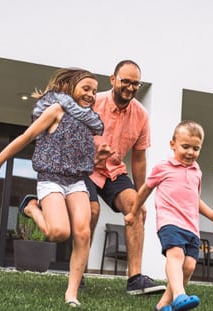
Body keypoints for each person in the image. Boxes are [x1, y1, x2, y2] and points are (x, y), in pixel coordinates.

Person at [0, 68, 103, 307]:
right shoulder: (56, 110)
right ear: (70, 87)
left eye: (94, 92)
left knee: (83, 232)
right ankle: (32, 209)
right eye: (86, 89)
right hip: (51, 178)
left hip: (76, 180)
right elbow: (25, 138)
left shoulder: (88, 123)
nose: (91, 95)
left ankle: (71, 294)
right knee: (59, 233)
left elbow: (78, 156)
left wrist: (101, 156)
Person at [125, 120, 213, 311]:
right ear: (172, 144)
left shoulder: (196, 171)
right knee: (176, 256)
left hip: (191, 226)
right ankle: (180, 295)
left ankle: (163, 306)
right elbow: (144, 190)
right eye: (185, 147)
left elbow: (195, 199)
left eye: (196, 148)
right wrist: (133, 212)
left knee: (189, 266)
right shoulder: (163, 167)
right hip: (169, 222)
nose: (190, 152)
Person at [85, 59, 165, 295]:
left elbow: (138, 159)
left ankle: (135, 280)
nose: (130, 88)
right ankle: (77, 273)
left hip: (114, 171)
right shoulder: (93, 102)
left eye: (135, 84)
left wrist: (142, 196)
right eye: (125, 81)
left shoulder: (141, 115)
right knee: (91, 211)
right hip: (86, 168)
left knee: (136, 210)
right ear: (113, 79)